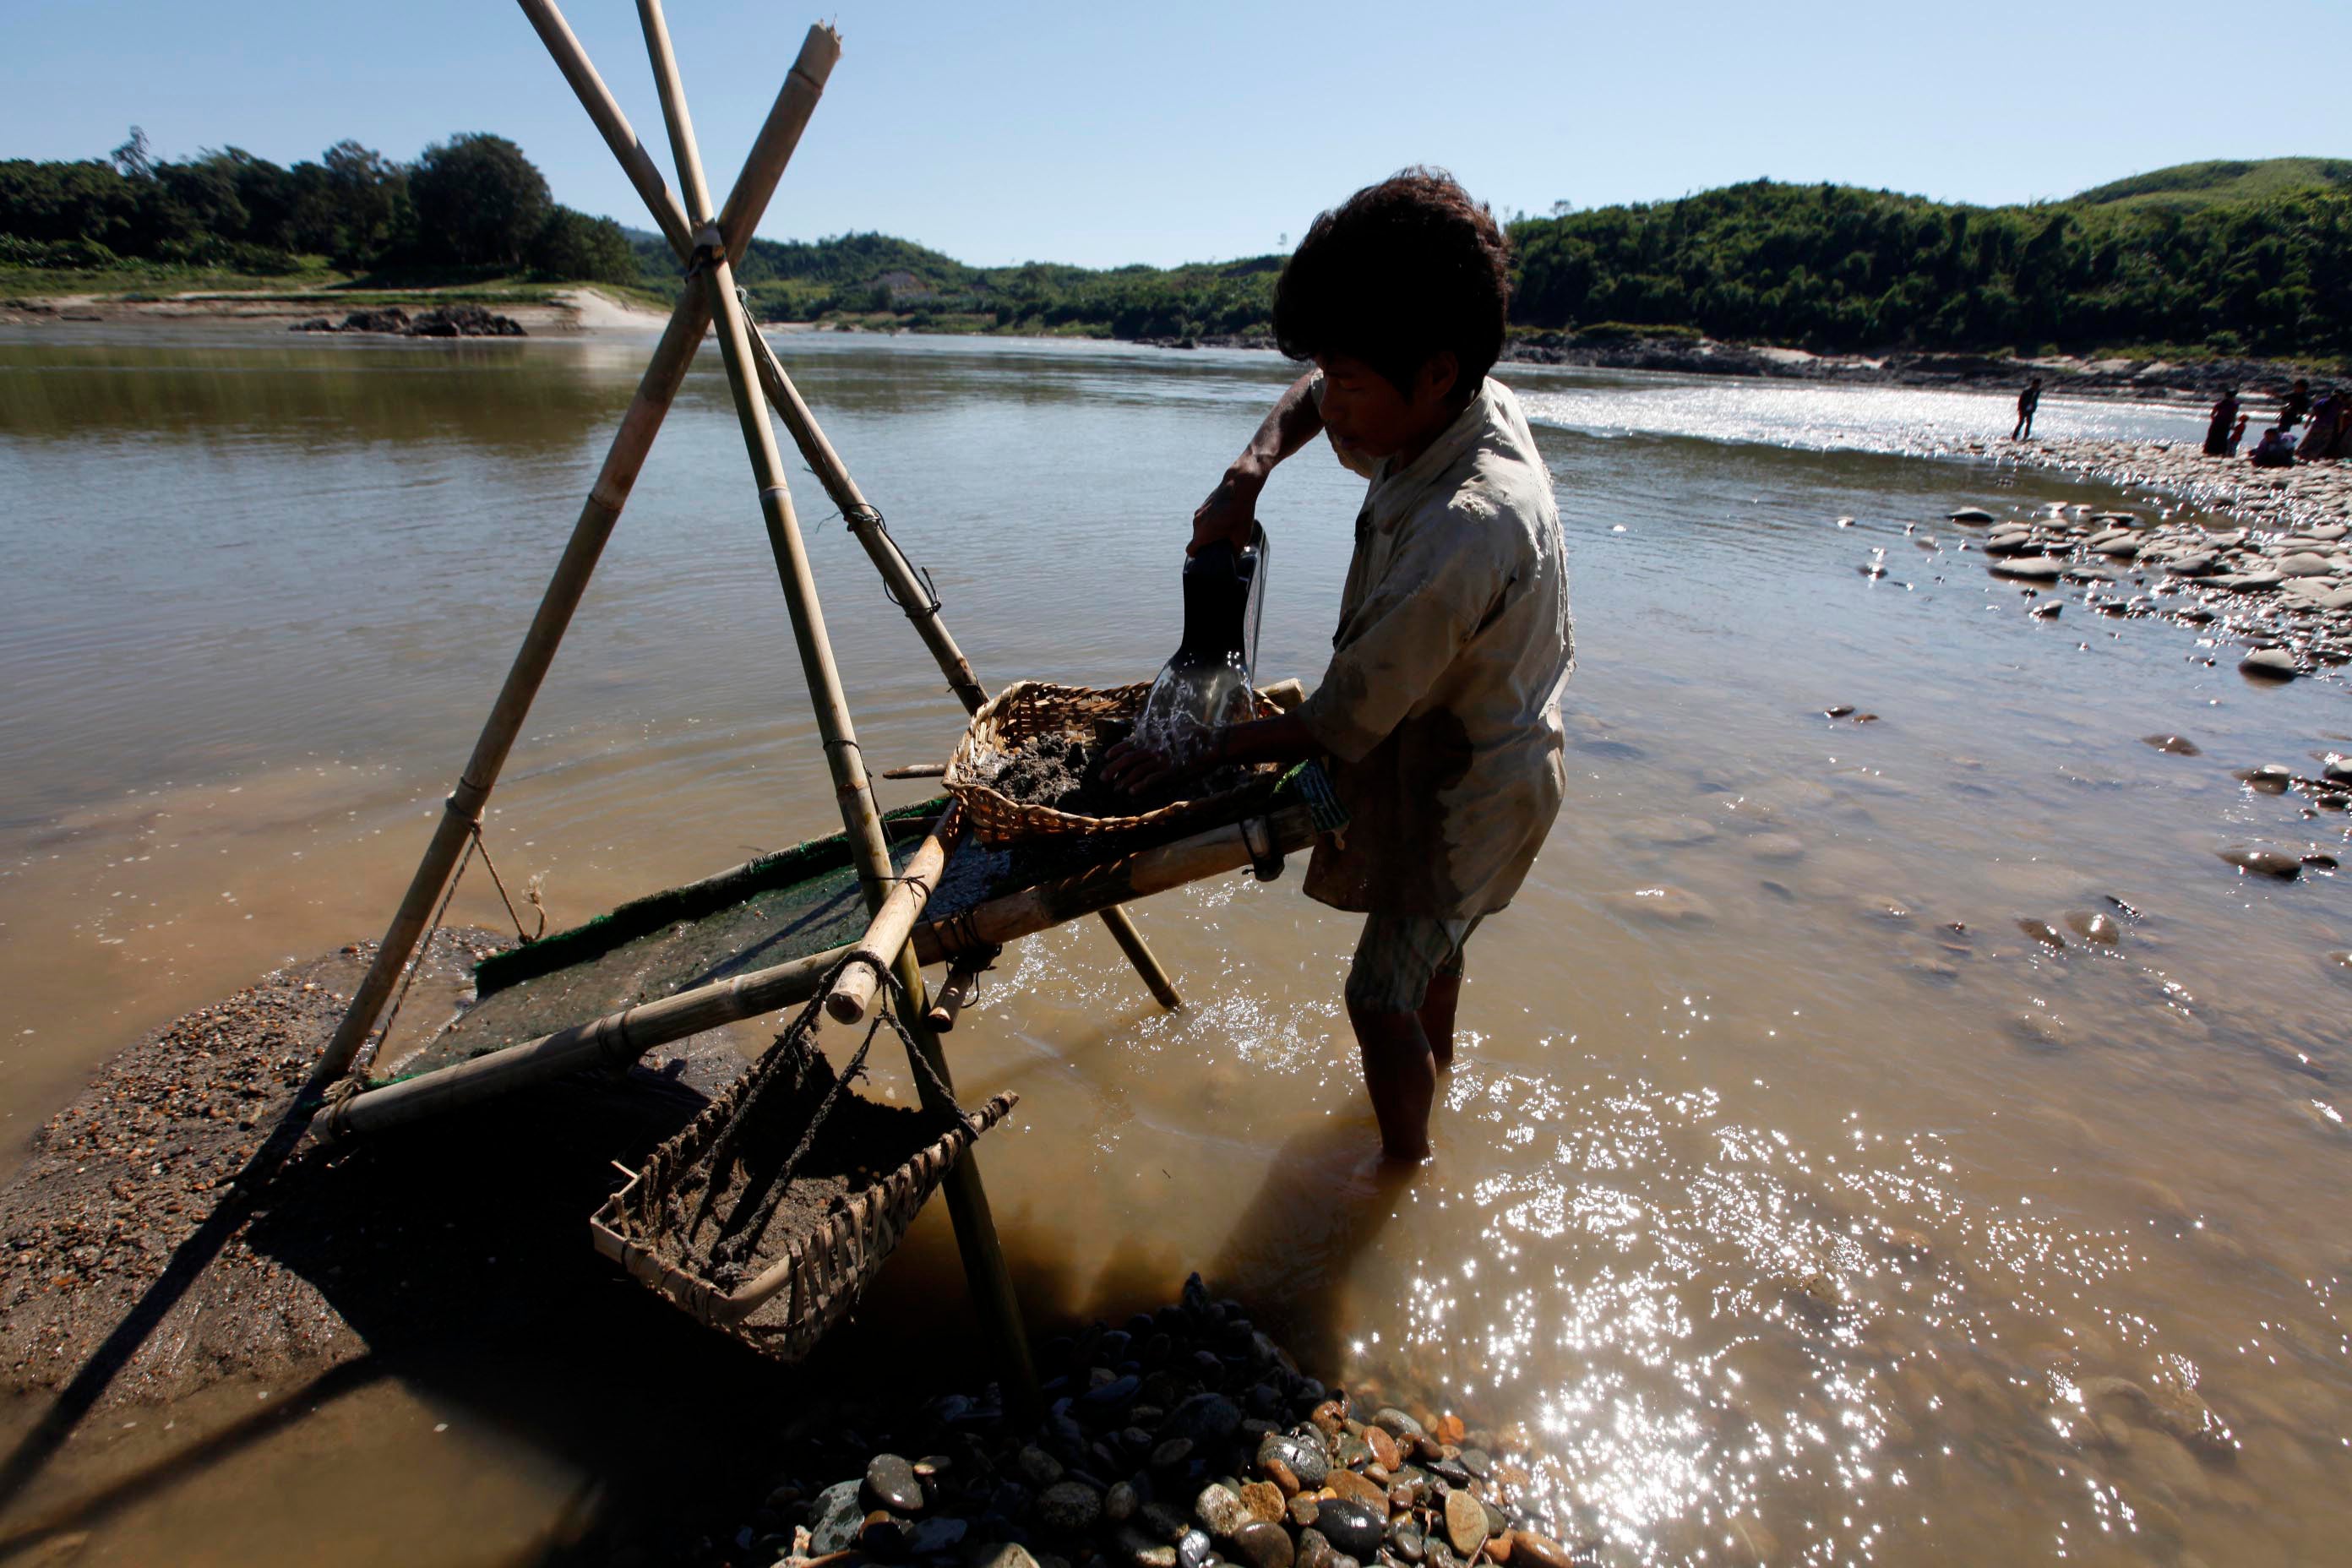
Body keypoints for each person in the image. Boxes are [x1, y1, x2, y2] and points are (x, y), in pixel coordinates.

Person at [1103, 168, 1574, 1164]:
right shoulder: (1448, 401)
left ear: (1436, 371)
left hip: (1471, 786)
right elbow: (1315, 396)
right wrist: (1250, 470)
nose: (1338, 408)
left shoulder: (1468, 526)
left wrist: (1199, 747)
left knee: (1378, 993)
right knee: (1433, 962)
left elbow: (1337, 723)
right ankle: (1438, 1086)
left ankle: (1406, 1174)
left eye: (1354, 381)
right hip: (1427, 733)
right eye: (1334, 371)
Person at [2298, 390, 2340, 460]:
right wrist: (2339, 428)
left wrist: (2307, 423)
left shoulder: (2321, 402)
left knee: (2311, 439)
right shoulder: (2338, 404)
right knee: (2323, 442)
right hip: (2328, 426)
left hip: (2317, 424)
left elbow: (2313, 414)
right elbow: (2340, 416)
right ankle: (2313, 455)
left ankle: (2303, 453)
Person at [2203, 388, 2240, 456]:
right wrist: (2233, 425)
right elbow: (2234, 416)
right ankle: (2220, 452)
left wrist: (2214, 421)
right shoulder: (2235, 405)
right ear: (2233, 397)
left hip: (2217, 422)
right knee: (2222, 438)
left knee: (2213, 437)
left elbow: (2212, 414)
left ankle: (2211, 451)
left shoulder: (2220, 403)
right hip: (2225, 423)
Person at [2012, 376, 2042, 441]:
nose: (2038, 386)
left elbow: (2035, 400)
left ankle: (2026, 436)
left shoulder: (2038, 391)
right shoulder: (2027, 391)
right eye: (2038, 384)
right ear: (2034, 384)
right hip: (2023, 408)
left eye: (2039, 385)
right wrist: (2020, 408)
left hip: (2030, 409)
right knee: (2021, 422)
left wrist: (2034, 408)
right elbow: (2021, 400)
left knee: (2029, 422)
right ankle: (2014, 436)